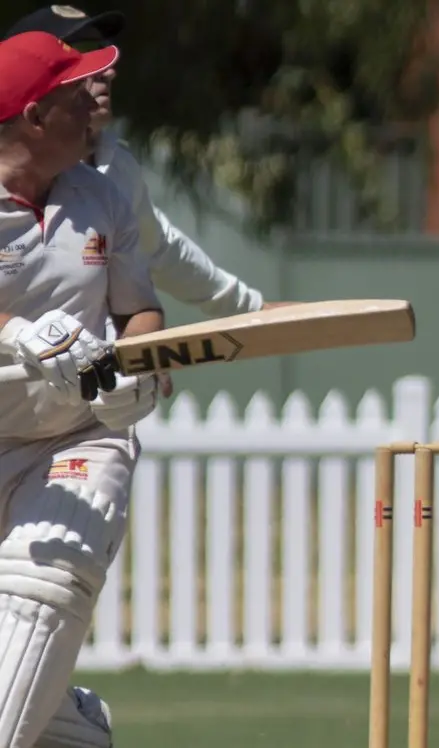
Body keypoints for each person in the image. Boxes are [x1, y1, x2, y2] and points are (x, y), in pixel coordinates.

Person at [0, 28, 167, 748]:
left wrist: (137, 371)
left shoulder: (103, 196)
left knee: (49, 584)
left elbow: (140, 312)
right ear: (35, 116)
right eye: (75, 97)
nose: (92, 108)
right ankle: (72, 730)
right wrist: (15, 331)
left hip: (76, 437)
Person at [5, 5, 287, 323]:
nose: (107, 71)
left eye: (101, 53)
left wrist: (252, 311)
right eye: (80, 54)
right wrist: (18, 336)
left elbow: (161, 250)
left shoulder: (115, 168)